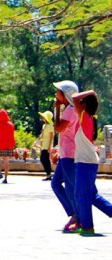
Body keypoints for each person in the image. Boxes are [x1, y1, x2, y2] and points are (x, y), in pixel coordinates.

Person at [71, 90, 112, 235]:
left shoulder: (85, 116)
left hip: (86, 162)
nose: (78, 104)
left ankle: (87, 226)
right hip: (87, 161)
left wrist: (92, 92)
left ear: (85, 105)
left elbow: (74, 98)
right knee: (91, 195)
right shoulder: (87, 117)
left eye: (81, 103)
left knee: (81, 195)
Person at [52, 79, 80, 232]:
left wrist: (57, 110)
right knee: (56, 183)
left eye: (58, 92)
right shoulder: (71, 109)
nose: (56, 95)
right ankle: (74, 214)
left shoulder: (69, 109)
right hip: (65, 152)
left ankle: (77, 217)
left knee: (70, 187)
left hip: (69, 153)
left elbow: (58, 129)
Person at [0, 109, 16, 183]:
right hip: (8, 146)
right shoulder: (10, 125)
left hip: (0, 146)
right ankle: (5, 178)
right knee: (6, 162)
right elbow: (12, 136)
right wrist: (12, 145)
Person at [33, 111, 55, 181]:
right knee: (43, 159)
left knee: (44, 159)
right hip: (43, 145)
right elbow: (42, 135)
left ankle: (49, 174)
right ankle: (48, 174)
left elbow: (52, 136)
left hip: (47, 145)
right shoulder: (44, 126)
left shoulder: (50, 126)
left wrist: (49, 146)